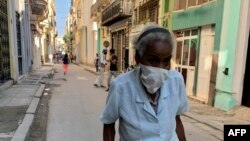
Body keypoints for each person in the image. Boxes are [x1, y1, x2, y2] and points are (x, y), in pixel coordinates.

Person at [100, 25, 189, 141]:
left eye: (166, 61)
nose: (160, 68)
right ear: (138, 57)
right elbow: (108, 123)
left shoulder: (176, 81)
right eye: (153, 60)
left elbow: (176, 118)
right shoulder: (120, 86)